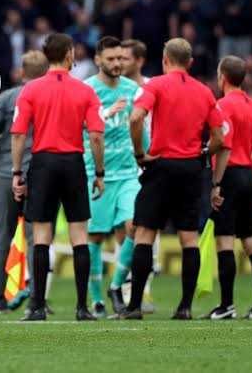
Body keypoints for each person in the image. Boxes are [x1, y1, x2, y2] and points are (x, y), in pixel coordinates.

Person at [122, 38, 229, 320]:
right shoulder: (205, 92)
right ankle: (184, 307)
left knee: (145, 234)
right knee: (188, 238)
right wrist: (204, 153)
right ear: (190, 63)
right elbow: (220, 137)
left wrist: (139, 153)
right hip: (190, 169)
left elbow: (135, 118)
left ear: (165, 60)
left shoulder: (154, 85)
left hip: (160, 165)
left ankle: (134, 306)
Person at [11, 32, 106, 322]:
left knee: (41, 237)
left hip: (42, 162)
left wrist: (17, 172)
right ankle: (82, 307)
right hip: (73, 163)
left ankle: (38, 306)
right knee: (80, 236)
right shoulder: (85, 91)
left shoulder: (30, 89)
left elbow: (18, 134)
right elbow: (97, 136)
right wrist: (99, 172)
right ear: (69, 54)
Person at [206, 56, 252, 320]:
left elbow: (224, 146)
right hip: (247, 175)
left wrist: (216, 184)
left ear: (222, 77)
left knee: (225, 240)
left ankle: (227, 305)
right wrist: (249, 161)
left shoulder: (221, 106)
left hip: (229, 175)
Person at [0, 50, 49, 314]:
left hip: (5, 172)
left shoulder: (8, 98)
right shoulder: (49, 97)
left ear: (21, 72)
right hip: (41, 173)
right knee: (37, 238)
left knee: (4, 235)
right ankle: (37, 297)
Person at [82, 37, 141, 317]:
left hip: (129, 172)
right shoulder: (88, 90)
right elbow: (82, 127)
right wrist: (105, 114)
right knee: (94, 236)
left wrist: (146, 154)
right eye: (111, 59)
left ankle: (116, 286)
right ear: (98, 60)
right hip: (96, 173)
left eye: (121, 59)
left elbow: (141, 125)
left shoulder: (132, 89)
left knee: (133, 227)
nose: (118, 64)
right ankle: (96, 299)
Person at [120, 38, 159, 313]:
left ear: (140, 61)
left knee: (142, 226)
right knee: (123, 229)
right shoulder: (114, 89)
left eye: (126, 58)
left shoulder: (152, 87)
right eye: (117, 58)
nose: (120, 63)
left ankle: (141, 289)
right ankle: (124, 288)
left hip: (149, 163)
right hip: (121, 164)